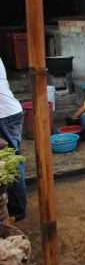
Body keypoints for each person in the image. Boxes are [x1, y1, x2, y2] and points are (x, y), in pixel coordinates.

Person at [0, 57, 27, 221]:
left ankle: (17, 210)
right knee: (12, 161)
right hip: (10, 112)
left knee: (12, 163)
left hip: (4, 115)